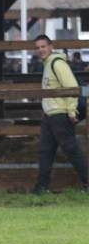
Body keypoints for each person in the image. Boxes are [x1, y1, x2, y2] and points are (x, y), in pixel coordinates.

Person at [31, 34, 89, 193]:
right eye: (37, 48)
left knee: (70, 149)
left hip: (60, 114)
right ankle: (41, 187)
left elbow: (71, 88)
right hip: (50, 115)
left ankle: (87, 182)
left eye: (43, 46)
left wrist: (71, 111)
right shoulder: (48, 64)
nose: (40, 50)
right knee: (46, 151)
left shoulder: (57, 64)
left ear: (51, 47)